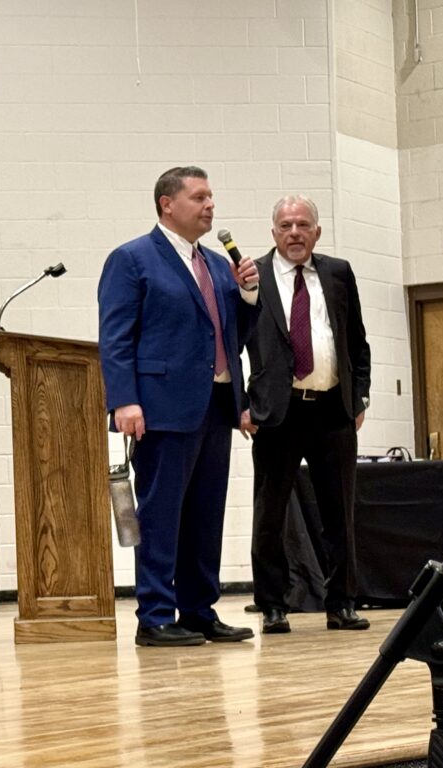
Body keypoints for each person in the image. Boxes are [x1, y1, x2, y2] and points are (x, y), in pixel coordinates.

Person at [97, 166, 261, 647]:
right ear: (167, 204)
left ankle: (198, 610)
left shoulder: (215, 265)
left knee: (206, 514)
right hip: (163, 407)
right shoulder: (132, 259)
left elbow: (235, 335)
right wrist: (124, 399)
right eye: (199, 197)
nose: (210, 205)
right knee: (161, 514)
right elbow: (116, 336)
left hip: (215, 403)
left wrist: (248, 294)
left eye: (212, 197)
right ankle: (154, 615)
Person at [240, 195, 371, 634]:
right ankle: (273, 605)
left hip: (334, 410)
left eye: (302, 224)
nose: (294, 232)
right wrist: (241, 404)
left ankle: (342, 603)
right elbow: (229, 341)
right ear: (273, 232)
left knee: (339, 513)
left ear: (317, 231)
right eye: (285, 225)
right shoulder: (251, 275)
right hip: (277, 414)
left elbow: (357, 341)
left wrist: (361, 398)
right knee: (270, 513)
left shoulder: (338, 273)